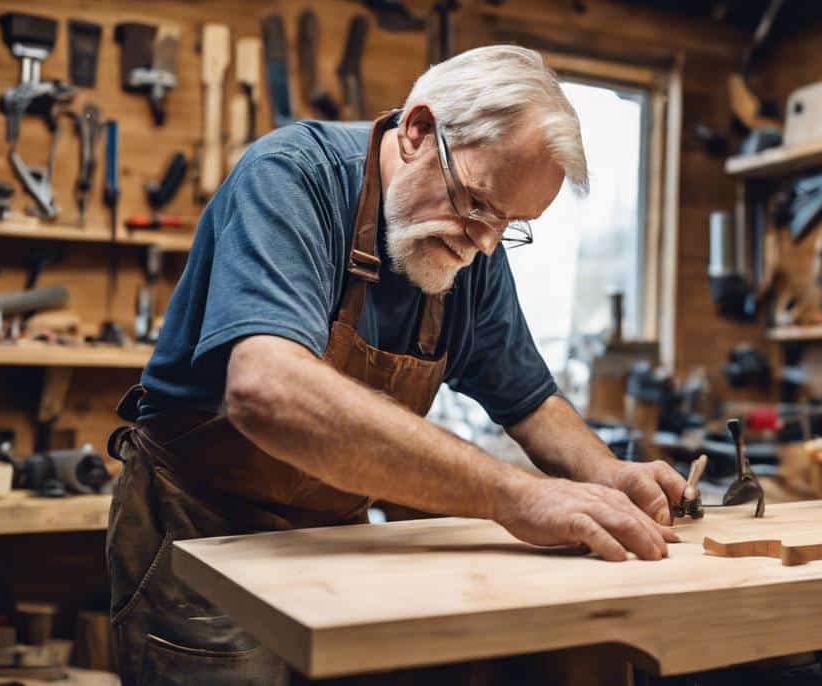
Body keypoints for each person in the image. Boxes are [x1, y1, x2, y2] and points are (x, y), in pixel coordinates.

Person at [106, 45, 687, 684]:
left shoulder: (472, 245)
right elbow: (267, 391)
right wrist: (516, 495)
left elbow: (528, 400)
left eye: (511, 224)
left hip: (334, 535)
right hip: (200, 530)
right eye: (478, 202)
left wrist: (606, 473)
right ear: (416, 131)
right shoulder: (291, 178)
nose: (486, 242)